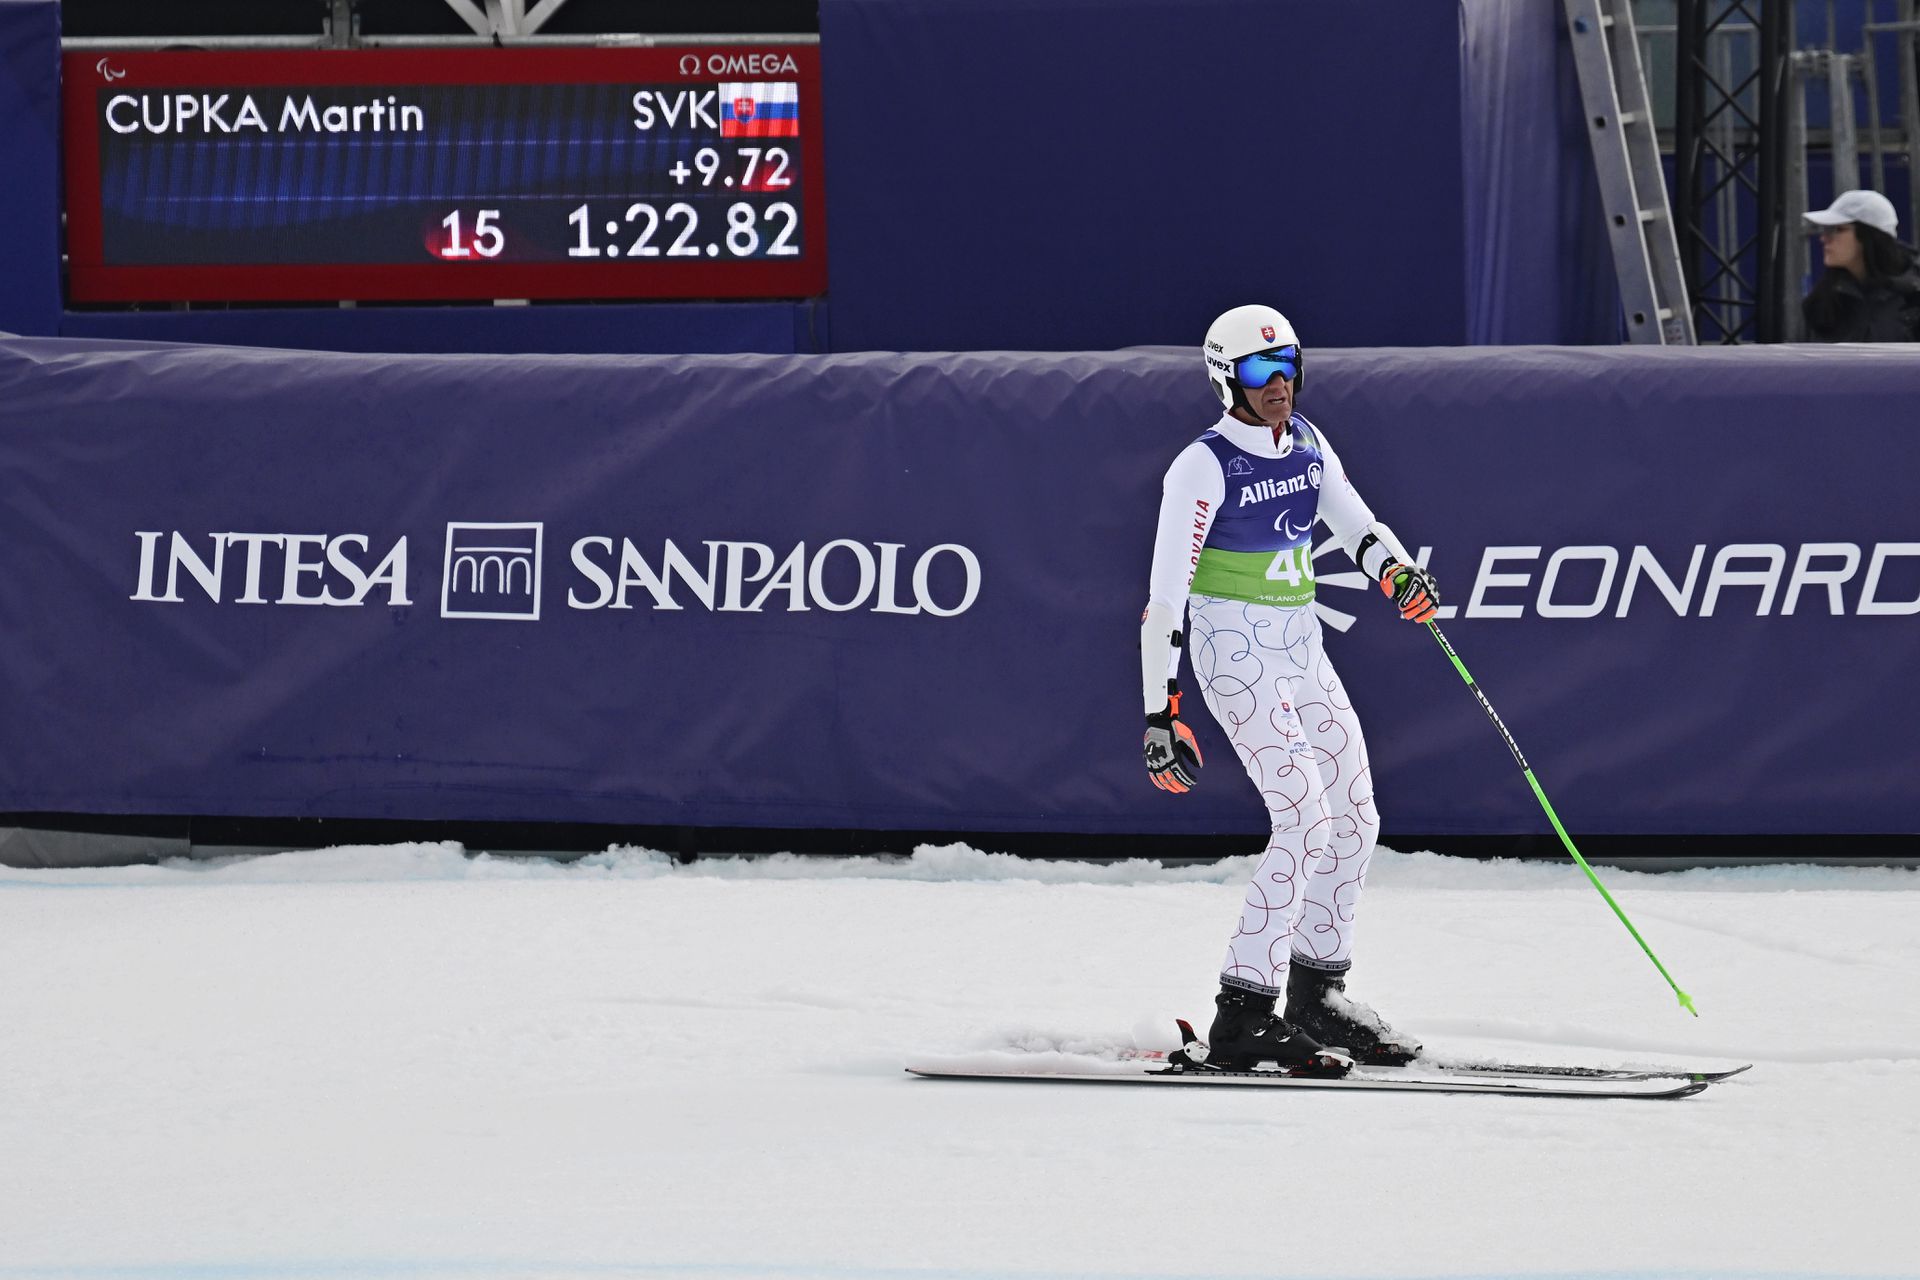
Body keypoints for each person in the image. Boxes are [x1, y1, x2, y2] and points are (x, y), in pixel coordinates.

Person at [1139, 304, 1437, 1078]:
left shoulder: (1307, 441)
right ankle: (1243, 1016)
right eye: (1261, 372)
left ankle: (1316, 993)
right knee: (1303, 815)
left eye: (1290, 366)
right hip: (1233, 650)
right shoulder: (1203, 464)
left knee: (1356, 815)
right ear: (1225, 379)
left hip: (1301, 645)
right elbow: (1165, 599)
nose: (1281, 384)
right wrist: (1160, 711)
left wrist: (1395, 571)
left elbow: (1357, 523)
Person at [1801, 189, 1920, 342]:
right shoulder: (1822, 302)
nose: (1824, 238)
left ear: (1869, 236)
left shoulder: (1913, 299)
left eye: (1837, 229)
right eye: (1824, 229)